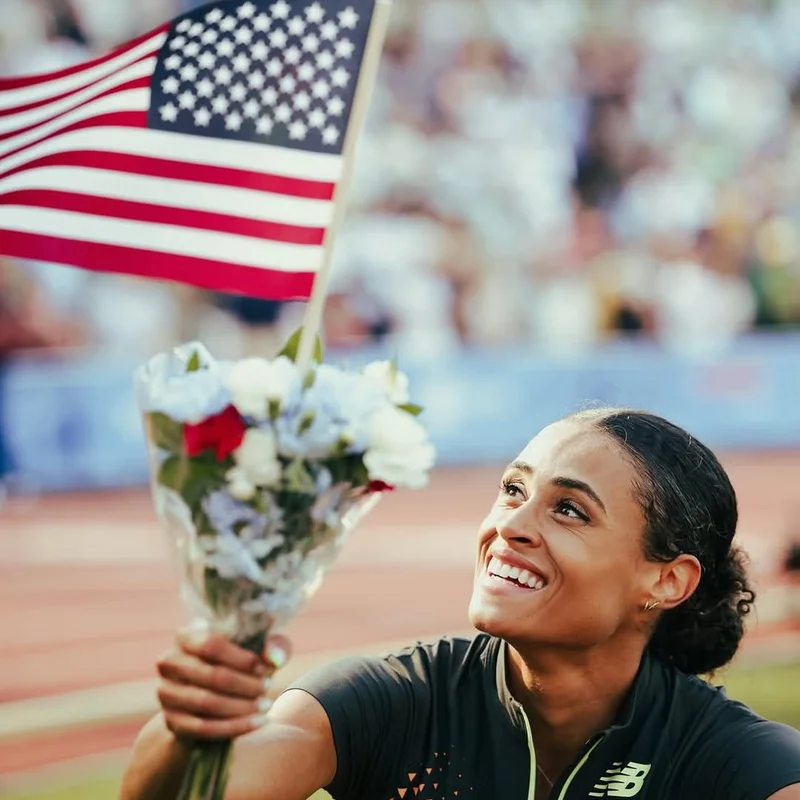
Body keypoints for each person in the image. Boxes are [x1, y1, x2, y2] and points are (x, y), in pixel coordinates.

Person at [120, 408, 800, 800]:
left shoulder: (731, 761)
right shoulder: (393, 702)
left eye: (569, 510)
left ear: (667, 581)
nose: (510, 525)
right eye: (512, 490)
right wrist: (189, 730)